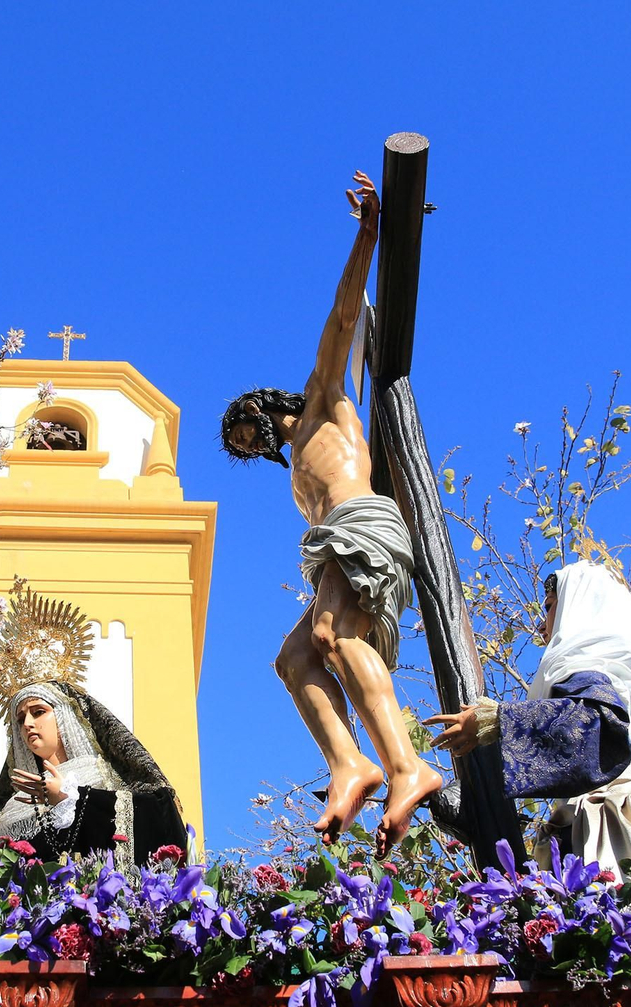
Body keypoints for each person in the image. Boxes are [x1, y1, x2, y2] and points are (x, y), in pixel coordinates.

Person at [220, 169, 441, 858]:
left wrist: (369, 232)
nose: (248, 449)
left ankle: (408, 766)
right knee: (293, 659)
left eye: (244, 435)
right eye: (240, 449)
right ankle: (352, 762)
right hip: (334, 541)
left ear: (260, 408)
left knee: (336, 636)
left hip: (362, 524)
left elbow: (344, 316)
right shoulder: (295, 479)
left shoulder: (322, 402)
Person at [424, 561, 631, 871]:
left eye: (549, 607)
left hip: (614, 837)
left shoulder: (590, 662)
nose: (542, 626)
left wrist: (497, 720)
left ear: (577, 605)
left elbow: (596, 731)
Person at [0, 680, 187, 865]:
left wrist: (74, 799)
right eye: (21, 719)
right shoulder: (11, 808)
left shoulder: (103, 773)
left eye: (38, 711)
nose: (28, 724)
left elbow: (157, 810)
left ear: (63, 716)